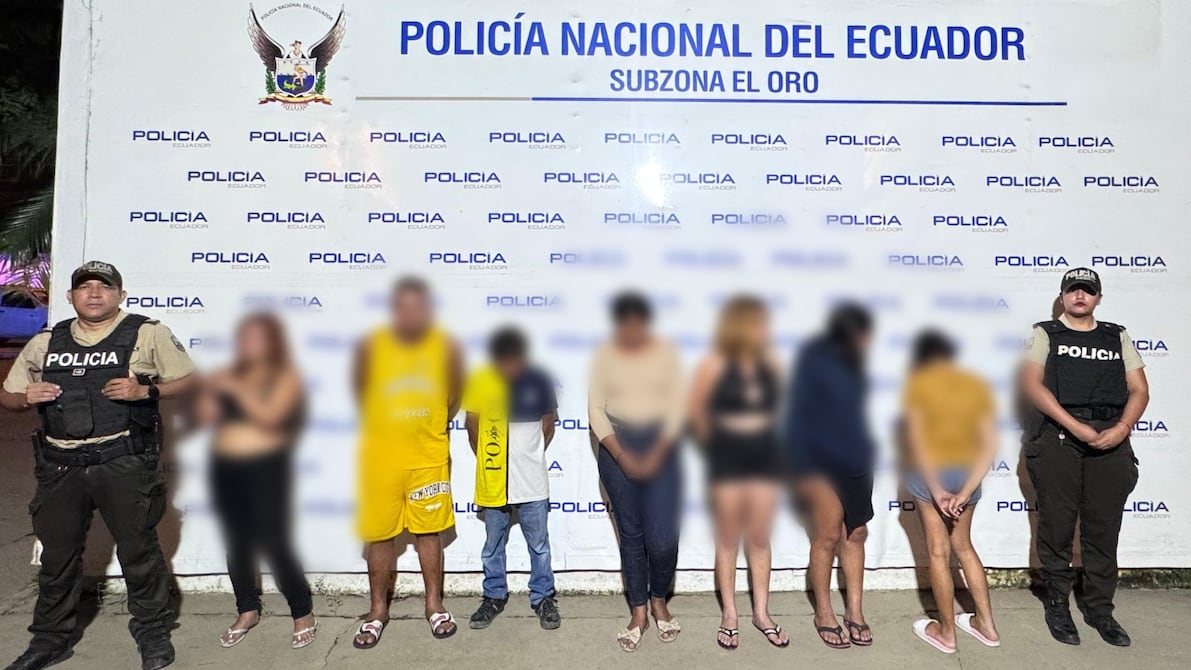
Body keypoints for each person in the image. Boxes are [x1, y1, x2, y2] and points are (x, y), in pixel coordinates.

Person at [0, 261, 197, 670]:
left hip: (122, 460)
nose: (93, 293)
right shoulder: (46, 341)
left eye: (104, 287)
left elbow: (191, 381)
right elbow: (9, 395)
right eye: (84, 287)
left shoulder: (147, 333)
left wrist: (145, 390)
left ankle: (153, 635)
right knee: (57, 558)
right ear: (70, 296)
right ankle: (49, 640)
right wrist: (25, 398)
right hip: (61, 466)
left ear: (120, 295)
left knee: (139, 552)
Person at [1020, 267, 1148, 647]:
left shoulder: (1116, 335)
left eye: (1087, 291)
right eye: (1073, 290)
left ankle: (1099, 609)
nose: (1080, 296)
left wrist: (1122, 428)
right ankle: (1057, 604)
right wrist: (1074, 427)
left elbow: (1139, 389)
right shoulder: (1046, 333)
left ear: (1098, 298)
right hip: (1059, 438)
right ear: (1062, 297)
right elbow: (1031, 384)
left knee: (1103, 530)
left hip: (1110, 437)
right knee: (1057, 527)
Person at [351, 276, 464, 649]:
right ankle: (377, 611)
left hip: (427, 457)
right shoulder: (372, 346)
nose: (410, 313)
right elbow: (362, 389)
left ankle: (434, 605)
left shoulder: (446, 347)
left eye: (418, 307)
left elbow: (453, 393)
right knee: (379, 535)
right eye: (403, 306)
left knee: (428, 533)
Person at [196, 313, 316, 650]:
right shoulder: (226, 374)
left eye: (258, 337)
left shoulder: (285, 376)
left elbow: (271, 418)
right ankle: (246, 610)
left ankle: (302, 612)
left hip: (266, 469)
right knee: (236, 544)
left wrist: (236, 389)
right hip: (226, 468)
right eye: (245, 336)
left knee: (275, 543)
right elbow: (206, 416)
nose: (250, 343)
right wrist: (213, 392)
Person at [687, 295, 788, 650]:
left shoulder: (772, 363)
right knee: (728, 538)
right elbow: (696, 411)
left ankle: (761, 613)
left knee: (759, 537)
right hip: (727, 461)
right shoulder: (714, 363)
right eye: (758, 323)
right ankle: (729, 614)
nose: (765, 329)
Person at [588, 291, 685, 652]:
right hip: (617, 442)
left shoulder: (666, 354)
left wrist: (657, 452)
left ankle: (659, 599)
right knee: (631, 535)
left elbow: (677, 408)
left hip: (662, 443)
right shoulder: (604, 356)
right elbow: (595, 410)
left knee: (663, 539)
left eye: (637, 325)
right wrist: (621, 455)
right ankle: (639, 611)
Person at [902, 329, 1001, 653]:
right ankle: (986, 625)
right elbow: (989, 446)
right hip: (967, 473)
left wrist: (937, 491)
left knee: (938, 553)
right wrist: (965, 490)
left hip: (932, 476)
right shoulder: (975, 387)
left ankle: (946, 632)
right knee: (964, 547)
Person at [785, 302, 876, 650]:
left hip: (856, 457)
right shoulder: (813, 361)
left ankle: (855, 610)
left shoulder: (856, 364)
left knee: (857, 533)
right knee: (827, 534)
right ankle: (823, 612)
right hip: (819, 461)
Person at [463, 326, 561, 631]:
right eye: (504, 360)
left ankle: (543, 597)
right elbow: (472, 427)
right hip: (493, 482)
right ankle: (493, 596)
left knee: (540, 545)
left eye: (515, 360)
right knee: (492, 545)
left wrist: (525, 457)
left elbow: (548, 424)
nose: (510, 367)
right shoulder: (481, 381)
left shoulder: (539, 379)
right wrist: (492, 463)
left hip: (532, 482)